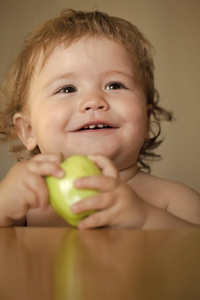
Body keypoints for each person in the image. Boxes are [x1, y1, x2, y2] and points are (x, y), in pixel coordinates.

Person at [0, 9, 199, 229]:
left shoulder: (173, 201)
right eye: (67, 89)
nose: (93, 100)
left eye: (115, 85)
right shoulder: (27, 204)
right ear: (28, 130)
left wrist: (145, 218)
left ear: (146, 119)